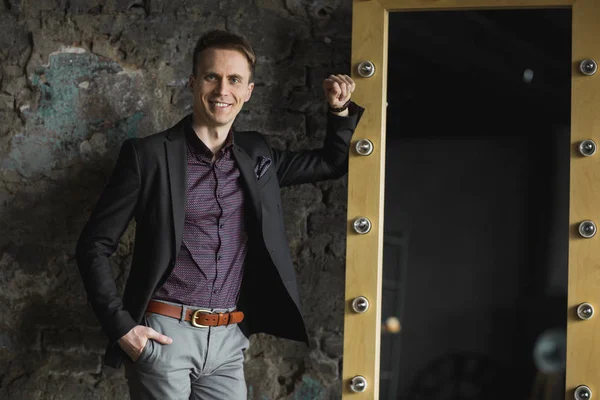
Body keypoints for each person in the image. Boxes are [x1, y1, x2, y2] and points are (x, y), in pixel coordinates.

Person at [75, 29, 364, 399]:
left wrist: (338, 110)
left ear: (248, 91)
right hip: (165, 335)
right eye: (212, 76)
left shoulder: (257, 153)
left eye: (234, 80)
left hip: (229, 341)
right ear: (194, 82)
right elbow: (93, 245)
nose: (222, 90)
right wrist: (122, 329)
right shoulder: (146, 156)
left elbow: (329, 163)